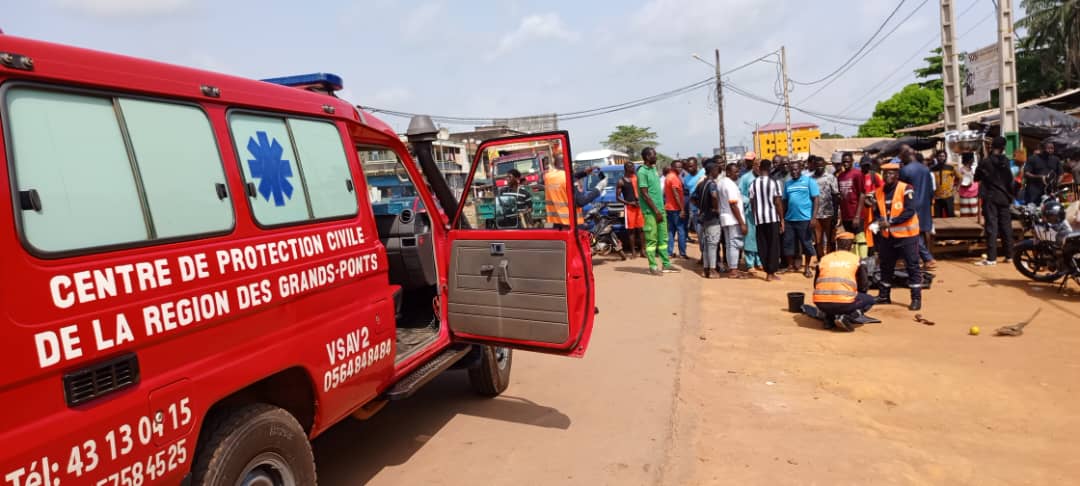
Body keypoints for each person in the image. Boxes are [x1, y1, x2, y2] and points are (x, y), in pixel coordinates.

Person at [871, 161, 923, 311]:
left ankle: (916, 298)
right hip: (888, 237)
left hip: (907, 236)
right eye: (885, 173)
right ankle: (884, 296)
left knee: (912, 266)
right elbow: (878, 213)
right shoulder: (879, 191)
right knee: (886, 266)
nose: (888, 176)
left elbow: (910, 211)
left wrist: (891, 222)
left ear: (897, 175)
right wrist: (876, 222)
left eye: (892, 173)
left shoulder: (906, 188)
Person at [812, 232, 874, 332]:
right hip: (843, 304)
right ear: (851, 245)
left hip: (821, 303)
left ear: (837, 243)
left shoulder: (824, 259)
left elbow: (816, 284)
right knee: (870, 300)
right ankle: (846, 316)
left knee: (833, 298)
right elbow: (864, 286)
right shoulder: (857, 260)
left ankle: (829, 318)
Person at [974, 136, 1016, 266]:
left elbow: (976, 178)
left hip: (990, 197)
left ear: (992, 147)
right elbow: (1010, 180)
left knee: (991, 226)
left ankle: (992, 258)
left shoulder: (985, 162)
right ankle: (1009, 256)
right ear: (1003, 147)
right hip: (1004, 197)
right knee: (1006, 226)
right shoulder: (1007, 162)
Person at [638, 148, 677, 275]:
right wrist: (656, 211)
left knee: (663, 239)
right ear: (647, 157)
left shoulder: (654, 169)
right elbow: (644, 194)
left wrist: (660, 210)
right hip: (651, 212)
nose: (656, 156)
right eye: (653, 154)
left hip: (660, 210)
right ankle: (653, 266)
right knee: (651, 240)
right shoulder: (642, 172)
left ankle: (666, 264)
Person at [899, 146, 937, 270]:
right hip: (925, 204)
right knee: (920, 233)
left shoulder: (905, 170)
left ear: (906, 156)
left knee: (912, 233)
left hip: (911, 204)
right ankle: (923, 258)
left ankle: (927, 258)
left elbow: (901, 190)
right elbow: (931, 190)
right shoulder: (925, 169)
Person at [782, 159, 819, 278]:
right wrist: (782, 218)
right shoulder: (787, 184)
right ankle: (790, 266)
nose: (794, 172)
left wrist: (813, 217)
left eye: (796, 169)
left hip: (805, 219)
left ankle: (807, 267)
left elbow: (816, 199)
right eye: (792, 170)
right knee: (788, 243)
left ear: (801, 169)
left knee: (806, 243)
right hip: (790, 219)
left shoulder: (809, 181)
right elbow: (785, 201)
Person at [750, 158, 785, 281]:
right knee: (773, 245)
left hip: (759, 219)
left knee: (763, 245)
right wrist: (782, 219)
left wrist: (755, 216)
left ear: (759, 169)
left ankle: (767, 270)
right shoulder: (774, 183)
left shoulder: (753, 183)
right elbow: (778, 202)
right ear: (770, 169)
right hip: (772, 218)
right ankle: (771, 272)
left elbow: (752, 202)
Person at [719, 163, 749, 278]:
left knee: (729, 244)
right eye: (735, 172)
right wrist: (742, 223)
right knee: (734, 244)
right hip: (733, 219)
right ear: (728, 172)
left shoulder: (722, 182)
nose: (738, 174)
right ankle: (733, 270)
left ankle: (732, 267)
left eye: (738, 171)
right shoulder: (730, 185)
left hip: (726, 218)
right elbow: (733, 205)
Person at [836, 152, 866, 258]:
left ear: (852, 161)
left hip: (856, 214)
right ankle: (854, 261)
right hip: (845, 214)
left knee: (860, 238)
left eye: (848, 161)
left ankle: (863, 262)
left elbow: (862, 194)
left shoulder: (857, 174)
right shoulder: (840, 176)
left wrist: (857, 216)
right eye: (844, 162)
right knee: (850, 239)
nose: (846, 163)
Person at [698, 162, 723, 278]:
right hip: (712, 218)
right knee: (712, 244)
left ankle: (705, 269)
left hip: (704, 217)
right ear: (712, 170)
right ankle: (712, 270)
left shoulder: (702, 184)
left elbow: (694, 198)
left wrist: (702, 208)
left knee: (707, 245)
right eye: (717, 170)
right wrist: (716, 208)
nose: (718, 172)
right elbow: (714, 196)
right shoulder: (712, 184)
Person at [811, 155, 840, 257]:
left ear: (825, 165)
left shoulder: (831, 177)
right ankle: (821, 261)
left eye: (821, 166)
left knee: (830, 239)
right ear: (814, 166)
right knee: (818, 240)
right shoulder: (810, 179)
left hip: (829, 213)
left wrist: (836, 214)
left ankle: (830, 259)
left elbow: (836, 196)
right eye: (817, 166)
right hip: (816, 214)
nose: (819, 168)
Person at [738, 154, 762, 270]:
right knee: (750, 238)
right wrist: (748, 201)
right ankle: (750, 263)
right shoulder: (745, 178)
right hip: (750, 212)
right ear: (754, 166)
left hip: (763, 213)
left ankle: (759, 261)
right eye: (757, 166)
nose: (759, 169)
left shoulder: (764, 178)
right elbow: (740, 194)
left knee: (760, 237)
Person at [617, 162, 645, 258]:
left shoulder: (637, 179)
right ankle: (633, 252)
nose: (633, 168)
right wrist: (629, 203)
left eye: (633, 166)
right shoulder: (621, 181)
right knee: (631, 231)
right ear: (626, 168)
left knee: (641, 229)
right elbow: (617, 197)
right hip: (629, 208)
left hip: (639, 207)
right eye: (631, 167)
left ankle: (642, 250)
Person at [682, 157, 706, 256]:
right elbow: (688, 193)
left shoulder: (703, 173)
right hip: (695, 208)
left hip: (705, 206)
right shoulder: (686, 179)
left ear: (697, 165)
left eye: (692, 166)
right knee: (700, 233)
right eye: (688, 167)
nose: (690, 168)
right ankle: (703, 255)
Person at [664, 160, 688, 259]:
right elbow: (676, 194)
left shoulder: (668, 176)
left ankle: (669, 252)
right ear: (672, 167)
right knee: (681, 230)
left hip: (669, 207)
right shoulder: (674, 178)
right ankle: (682, 253)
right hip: (676, 208)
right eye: (677, 167)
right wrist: (682, 209)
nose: (680, 168)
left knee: (671, 231)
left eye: (681, 167)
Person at [930, 149, 960, 218]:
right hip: (937, 197)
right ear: (937, 157)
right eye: (939, 156)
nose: (941, 158)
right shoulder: (932, 168)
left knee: (950, 217)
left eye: (943, 156)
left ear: (945, 157)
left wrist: (957, 188)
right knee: (938, 218)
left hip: (948, 196)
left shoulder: (951, 167)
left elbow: (960, 177)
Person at [957, 153, 980, 218]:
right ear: (969, 160)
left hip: (974, 194)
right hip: (964, 194)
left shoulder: (974, 169)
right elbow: (958, 181)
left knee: (974, 213)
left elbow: (977, 180)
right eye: (972, 159)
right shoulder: (960, 170)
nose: (973, 161)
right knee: (965, 214)